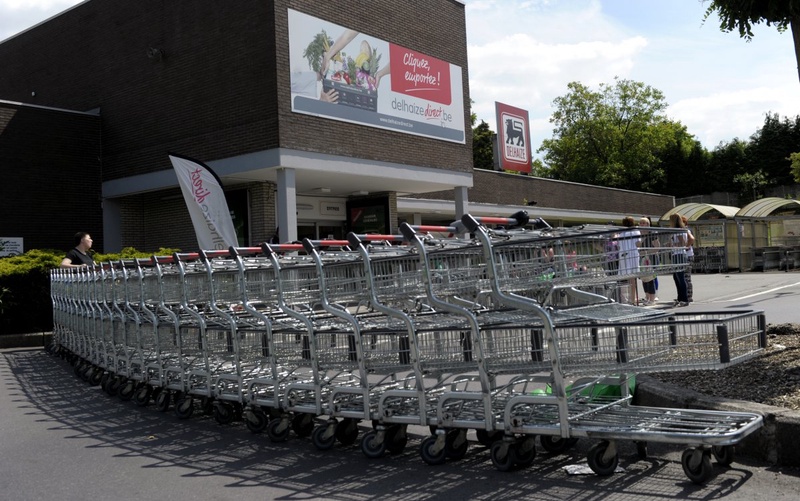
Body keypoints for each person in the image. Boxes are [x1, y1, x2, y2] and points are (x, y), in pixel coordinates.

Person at [617, 216, 641, 304]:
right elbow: (638, 244)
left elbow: (619, 246)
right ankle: (632, 299)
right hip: (633, 255)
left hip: (623, 255)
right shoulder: (635, 231)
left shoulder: (621, 233)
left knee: (623, 277)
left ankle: (624, 299)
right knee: (632, 278)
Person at [669, 214, 690, 306]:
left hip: (679, 254)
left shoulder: (678, 230)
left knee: (680, 276)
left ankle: (684, 298)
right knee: (676, 277)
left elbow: (682, 243)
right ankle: (680, 297)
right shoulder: (678, 230)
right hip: (676, 254)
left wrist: (673, 245)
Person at [638, 216, 659, 305]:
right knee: (644, 279)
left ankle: (652, 299)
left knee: (650, 279)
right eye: (641, 223)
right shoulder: (638, 234)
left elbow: (657, 247)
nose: (641, 225)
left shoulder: (652, 234)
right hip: (642, 259)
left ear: (648, 224)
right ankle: (647, 297)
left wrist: (646, 252)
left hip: (651, 259)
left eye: (644, 223)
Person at [681, 215, 696, 302]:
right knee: (684, 276)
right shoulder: (682, 230)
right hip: (685, 255)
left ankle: (689, 296)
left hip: (688, 255)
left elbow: (691, 240)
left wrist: (685, 246)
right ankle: (685, 295)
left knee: (687, 277)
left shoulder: (687, 230)